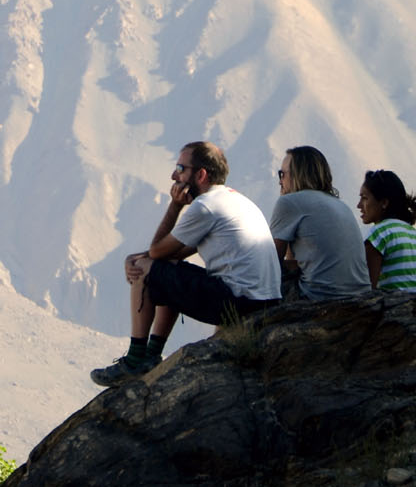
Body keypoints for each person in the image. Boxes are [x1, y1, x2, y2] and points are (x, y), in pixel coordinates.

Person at [89, 141, 281, 386]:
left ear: (201, 175)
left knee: (144, 271)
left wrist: (175, 206)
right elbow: (171, 255)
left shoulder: (205, 206)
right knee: (166, 270)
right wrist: (142, 257)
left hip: (238, 303)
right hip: (263, 302)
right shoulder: (234, 200)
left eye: (180, 168)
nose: (173, 176)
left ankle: (136, 361)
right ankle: (151, 355)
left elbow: (157, 251)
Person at [269, 145, 372, 302]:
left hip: (321, 296)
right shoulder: (341, 205)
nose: (280, 181)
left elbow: (271, 259)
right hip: (361, 296)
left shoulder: (289, 202)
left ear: (298, 174)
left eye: (282, 174)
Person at [357, 168, 416, 293]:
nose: (359, 205)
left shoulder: (380, 233)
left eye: (364, 198)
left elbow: (366, 287)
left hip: (397, 304)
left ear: (384, 203)